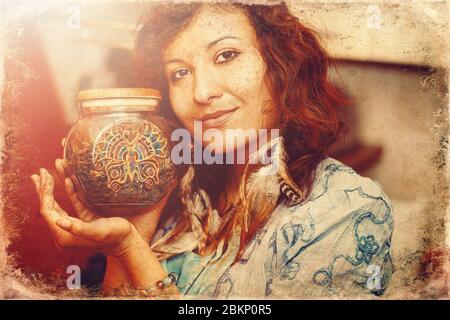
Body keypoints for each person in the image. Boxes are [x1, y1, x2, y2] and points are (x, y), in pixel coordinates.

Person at [31, 1, 394, 298]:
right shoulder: (178, 196)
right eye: (180, 73)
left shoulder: (348, 207)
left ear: (282, 65)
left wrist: (130, 248)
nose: (202, 92)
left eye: (226, 55)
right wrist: (130, 232)